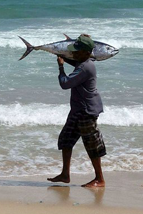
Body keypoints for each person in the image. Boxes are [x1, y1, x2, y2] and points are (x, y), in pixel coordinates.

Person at [47, 34, 106, 188]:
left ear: (86, 53)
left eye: (77, 51)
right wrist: (61, 56)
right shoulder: (85, 62)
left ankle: (99, 179)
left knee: (92, 146)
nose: (73, 53)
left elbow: (65, 84)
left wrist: (60, 67)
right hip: (77, 110)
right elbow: (75, 62)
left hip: (86, 111)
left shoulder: (85, 67)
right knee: (66, 140)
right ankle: (65, 175)